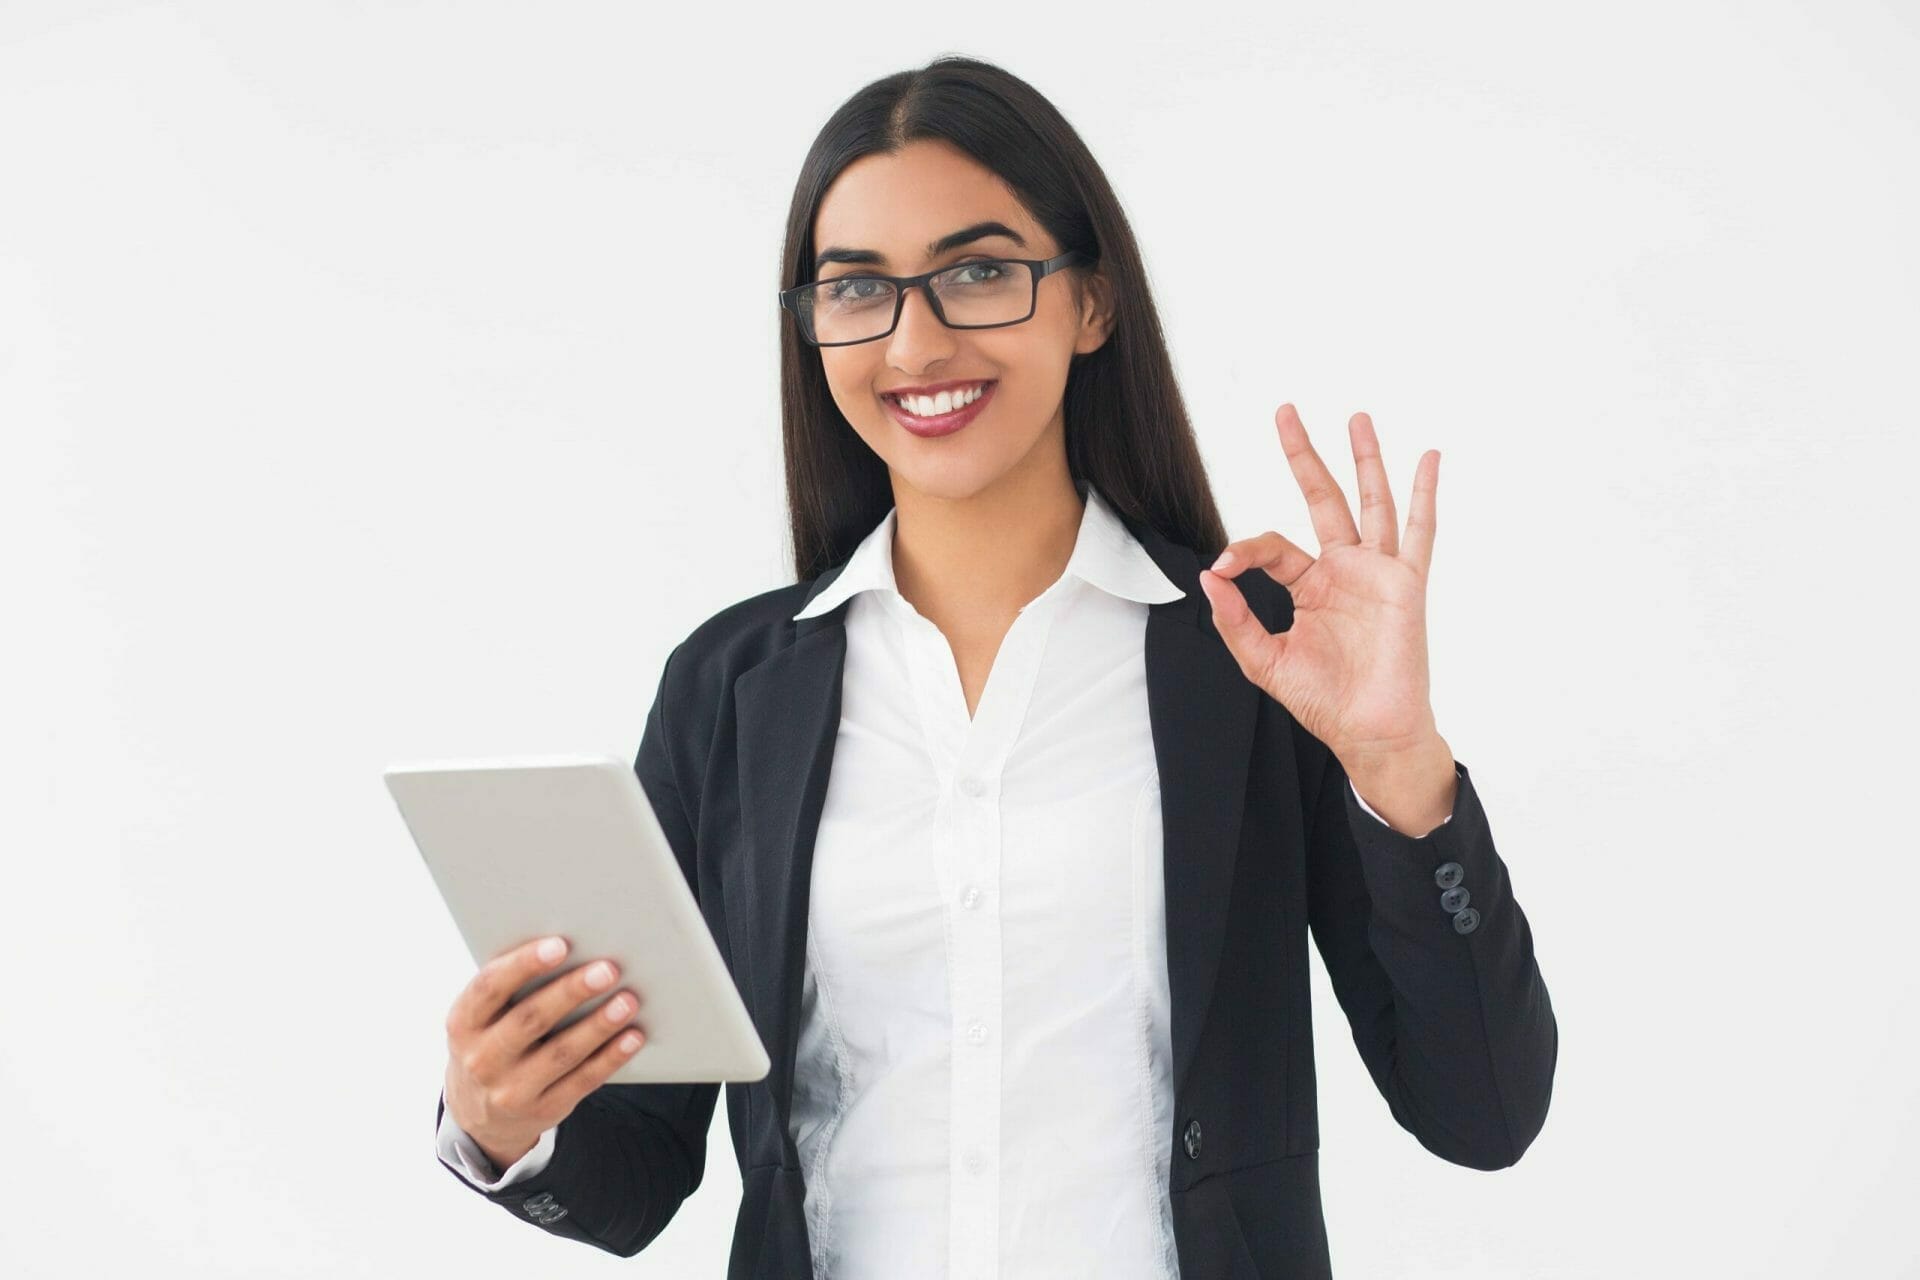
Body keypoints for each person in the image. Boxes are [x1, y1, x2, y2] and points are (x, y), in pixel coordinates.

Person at [433, 54, 1557, 1280]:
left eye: (977, 272)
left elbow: (1483, 1111)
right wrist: (502, 1121)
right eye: (858, 288)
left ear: (1093, 303)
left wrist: (1399, 765)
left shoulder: (1257, 656)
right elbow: (639, 1168)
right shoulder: (730, 689)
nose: (915, 341)